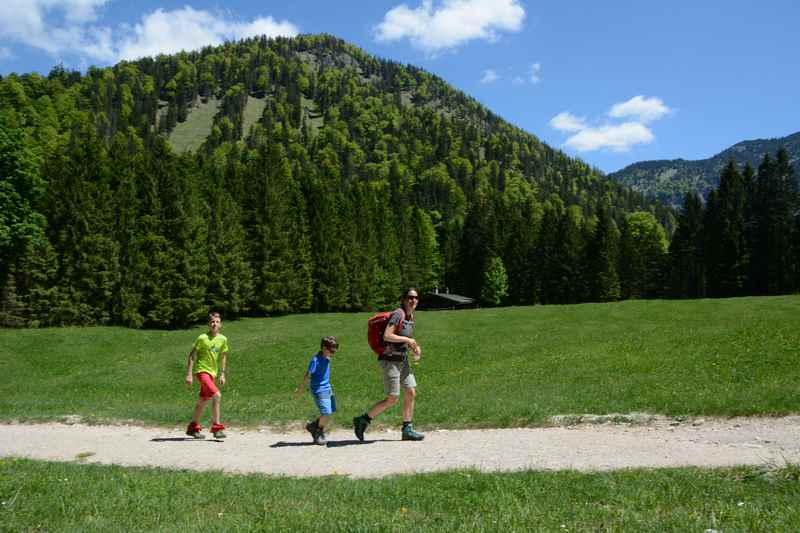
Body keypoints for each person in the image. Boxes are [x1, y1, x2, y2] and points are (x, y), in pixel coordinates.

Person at [353, 288, 424, 442]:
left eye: (416, 298)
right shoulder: (399, 313)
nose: (413, 300)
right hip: (390, 360)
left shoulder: (411, 316)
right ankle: (362, 420)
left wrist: (415, 347)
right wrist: (408, 341)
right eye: (410, 297)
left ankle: (407, 429)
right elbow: (388, 335)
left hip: (402, 360)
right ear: (404, 299)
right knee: (393, 398)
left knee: (411, 392)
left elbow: (405, 337)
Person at [185, 311, 229, 439]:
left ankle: (192, 428)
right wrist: (189, 374)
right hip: (201, 371)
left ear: (220, 324)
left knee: (203, 400)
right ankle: (217, 428)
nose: (214, 324)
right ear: (208, 324)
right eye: (212, 322)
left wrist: (222, 374)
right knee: (217, 395)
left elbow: (223, 356)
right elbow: (191, 356)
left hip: (212, 373)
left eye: (217, 322)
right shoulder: (202, 338)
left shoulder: (223, 339)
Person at [295, 336, 339, 445]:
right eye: (331, 350)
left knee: (330, 410)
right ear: (324, 348)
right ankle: (318, 431)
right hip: (319, 389)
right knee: (326, 412)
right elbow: (308, 375)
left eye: (335, 350)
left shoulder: (327, 357)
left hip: (327, 387)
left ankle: (313, 426)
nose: (333, 353)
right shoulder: (315, 360)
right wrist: (301, 388)